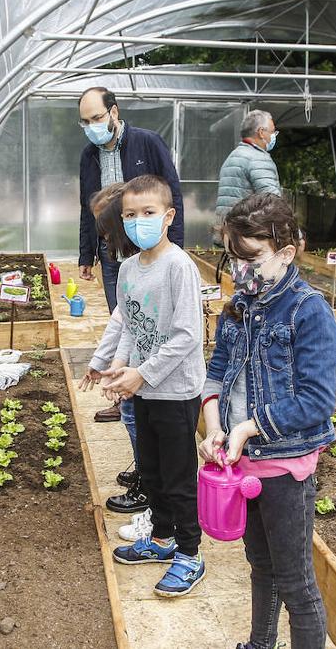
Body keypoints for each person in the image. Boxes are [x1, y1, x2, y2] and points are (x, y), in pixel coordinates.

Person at [198, 193, 336, 649]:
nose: (241, 269)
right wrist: (216, 423)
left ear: (286, 253)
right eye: (234, 258)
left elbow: (317, 401)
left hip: (283, 468)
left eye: (251, 258)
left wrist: (247, 427)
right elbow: (216, 372)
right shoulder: (239, 305)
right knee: (260, 565)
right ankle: (260, 644)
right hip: (243, 466)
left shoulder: (308, 310)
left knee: (295, 581)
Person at [98, 174, 207, 598]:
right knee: (152, 470)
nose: (138, 221)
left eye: (148, 213)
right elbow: (129, 322)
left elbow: (186, 335)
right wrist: (119, 367)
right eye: (130, 214)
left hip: (175, 391)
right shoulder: (128, 268)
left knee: (179, 476)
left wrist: (142, 373)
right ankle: (162, 540)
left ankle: (190, 554)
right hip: (143, 389)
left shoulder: (179, 266)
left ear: (168, 216)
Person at [77, 87, 185, 427]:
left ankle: (149, 382)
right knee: (123, 317)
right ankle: (123, 388)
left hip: (147, 244)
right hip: (113, 249)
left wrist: (175, 246)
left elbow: (173, 193)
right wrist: (86, 252)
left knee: (156, 322)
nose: (92, 126)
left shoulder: (146, 142)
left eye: (96, 118)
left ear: (114, 112)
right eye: (85, 121)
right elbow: (86, 207)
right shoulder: (89, 155)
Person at [83, 184, 149, 519]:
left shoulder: (153, 267)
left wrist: (128, 368)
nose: (106, 242)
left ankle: (148, 481)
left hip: (150, 372)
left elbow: (130, 323)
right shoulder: (131, 267)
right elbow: (122, 320)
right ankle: (143, 469)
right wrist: (105, 363)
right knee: (132, 417)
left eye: (109, 233)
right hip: (136, 366)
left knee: (139, 421)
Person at [214, 110, 281, 220]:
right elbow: (273, 201)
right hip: (249, 230)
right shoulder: (258, 159)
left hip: (229, 230)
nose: (274, 136)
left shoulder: (232, 157)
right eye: (272, 132)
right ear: (261, 132)